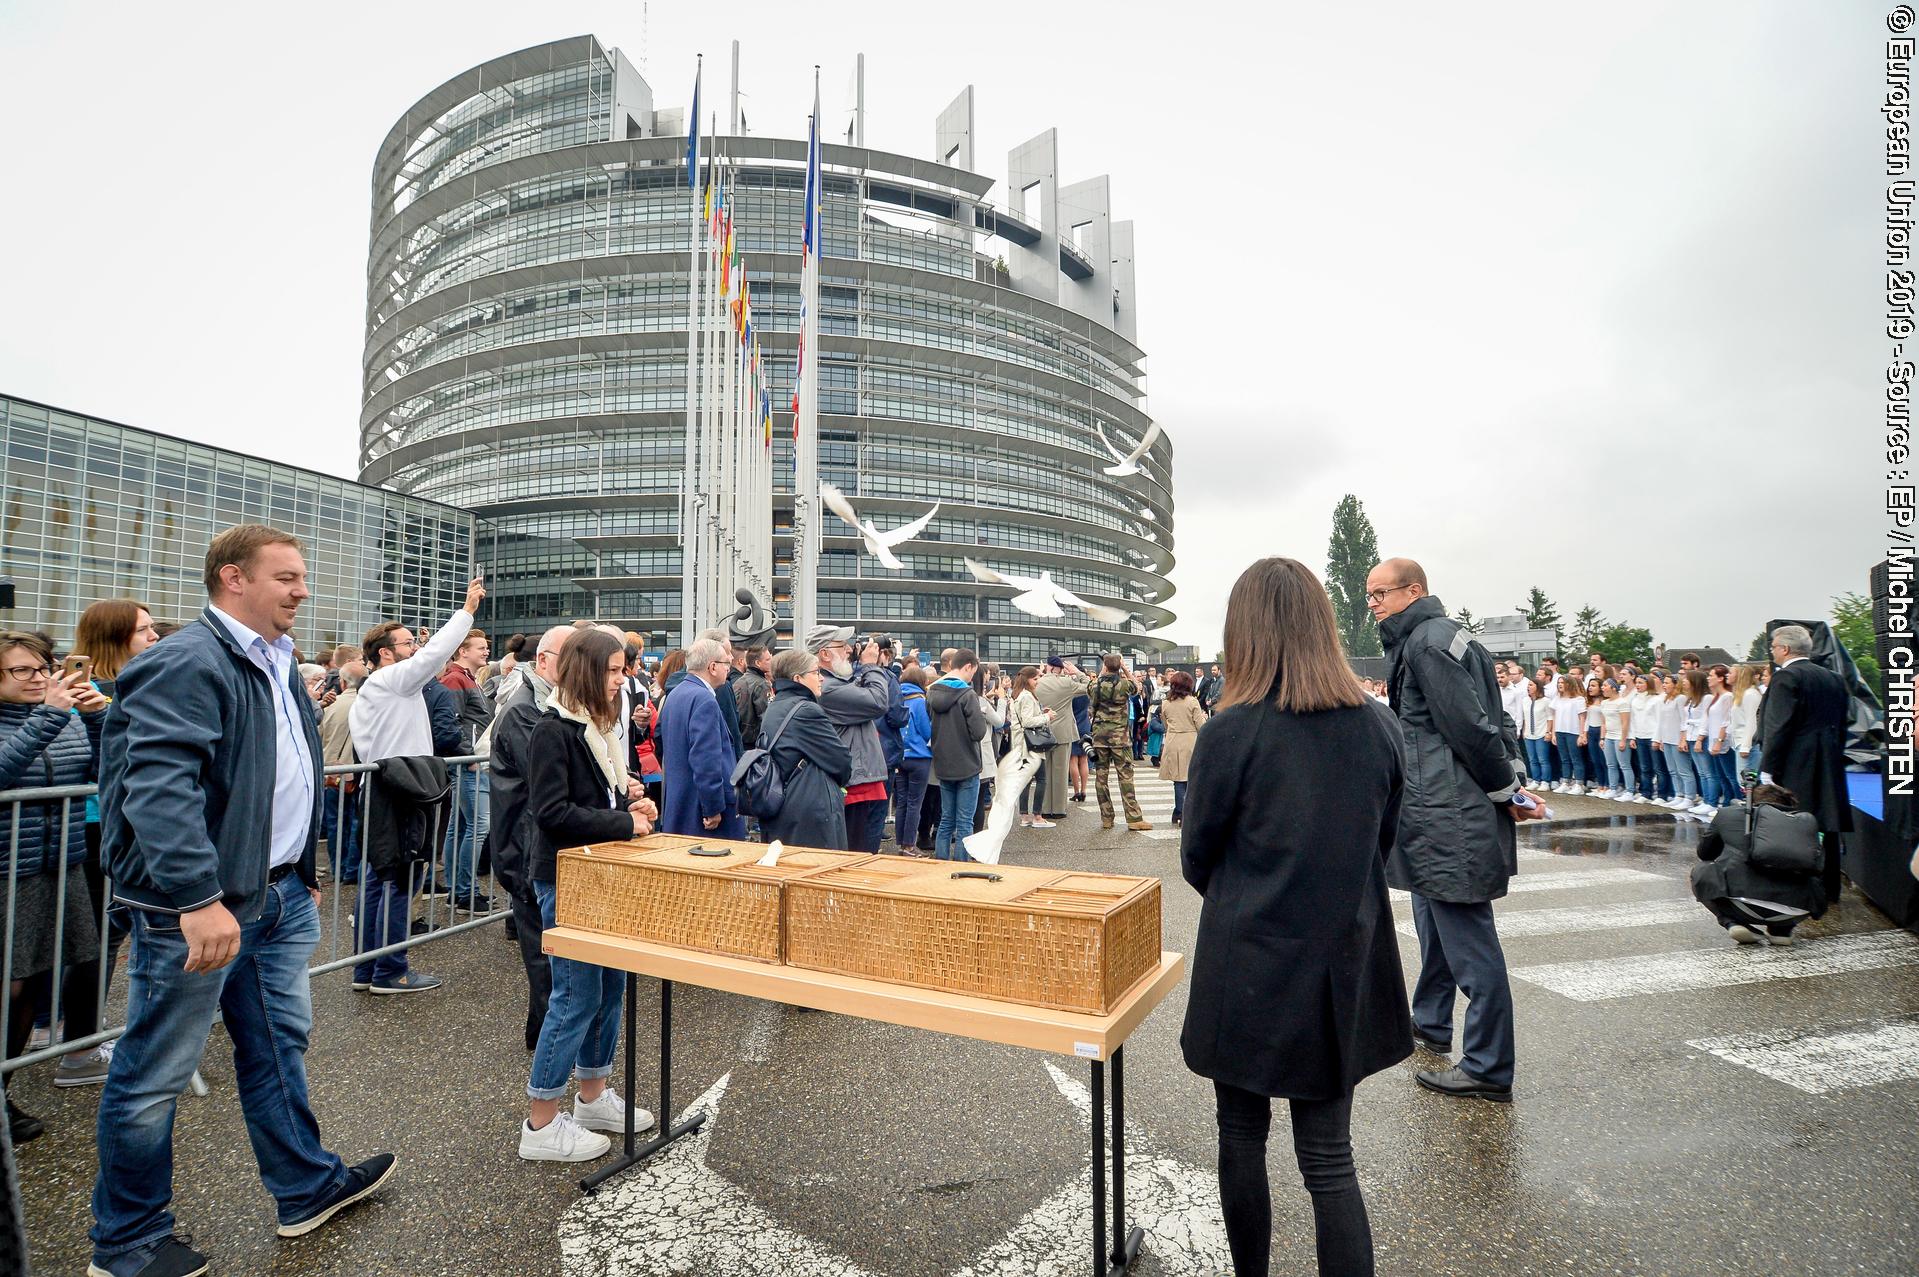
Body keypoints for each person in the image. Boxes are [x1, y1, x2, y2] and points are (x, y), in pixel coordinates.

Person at [92, 525, 396, 1277]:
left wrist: (303, 863)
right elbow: (158, 787)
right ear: (233, 577)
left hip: (275, 895)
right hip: (197, 912)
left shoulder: (276, 660)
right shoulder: (185, 661)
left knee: (275, 1049)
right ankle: (125, 1243)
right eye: (287, 576)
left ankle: (305, 1186)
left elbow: (291, 766)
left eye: (302, 577)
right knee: (152, 1072)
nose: (301, 589)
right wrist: (198, 896)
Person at [1180, 557, 1410, 1277]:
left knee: (1241, 1133)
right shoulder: (1378, 726)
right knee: (1328, 1158)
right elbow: (1383, 837)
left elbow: (1198, 854)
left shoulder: (1232, 729)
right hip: (1340, 957)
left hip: (1247, 952)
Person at [1366, 556, 1537, 1103]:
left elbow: (1473, 728)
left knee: (1468, 941)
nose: (1373, 604)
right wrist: (1513, 777)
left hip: (1447, 812)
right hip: (1437, 808)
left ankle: (1488, 1065)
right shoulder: (1450, 637)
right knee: (1433, 923)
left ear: (1413, 591)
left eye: (1381, 595)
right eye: (1370, 595)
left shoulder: (1425, 645)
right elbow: (1497, 720)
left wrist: (1505, 789)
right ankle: (1432, 1021)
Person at [520, 629, 657, 1162]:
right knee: (575, 997)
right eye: (612, 670)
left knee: (608, 989)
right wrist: (624, 822)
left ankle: (593, 1095)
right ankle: (540, 1122)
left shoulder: (597, 727)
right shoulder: (553, 730)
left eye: (623, 670)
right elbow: (552, 814)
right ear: (586, 671)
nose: (621, 679)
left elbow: (591, 800)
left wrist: (627, 805)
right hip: (565, 877)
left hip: (597, 877)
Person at [346, 578, 485, 995]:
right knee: (398, 879)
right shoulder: (391, 681)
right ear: (385, 653)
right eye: (407, 644)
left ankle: (367, 969)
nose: (416, 649)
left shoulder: (384, 686)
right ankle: (391, 970)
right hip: (400, 789)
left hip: (387, 785)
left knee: (380, 878)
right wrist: (466, 612)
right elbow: (436, 655)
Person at [0, 632, 107, 1143]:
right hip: (5, 873)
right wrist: (49, 716)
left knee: (35, 979)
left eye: (43, 668)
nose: (39, 678)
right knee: (8, 984)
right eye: (23, 671)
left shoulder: (61, 720)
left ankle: (3, 1090)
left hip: (55, 866)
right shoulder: (43, 718)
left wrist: (97, 718)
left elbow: (107, 769)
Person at [56, 598, 160, 1090]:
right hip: (94, 826)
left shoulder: (130, 686)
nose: (154, 637)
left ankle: (70, 1033)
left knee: (101, 934)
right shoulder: (82, 694)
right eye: (144, 631)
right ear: (116, 638)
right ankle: (77, 1045)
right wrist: (100, 716)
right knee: (95, 938)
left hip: (114, 823)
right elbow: (100, 764)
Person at [485, 625, 572, 1050]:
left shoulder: (547, 704)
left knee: (551, 956)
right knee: (543, 958)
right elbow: (547, 786)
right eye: (568, 659)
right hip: (524, 847)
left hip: (534, 843)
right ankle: (547, 1048)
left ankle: (547, 1040)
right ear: (543, 661)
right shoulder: (524, 710)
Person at [1757, 625, 1854, 898]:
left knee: (1795, 822)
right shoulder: (1833, 677)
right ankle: (1829, 887)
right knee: (1828, 821)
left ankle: (1798, 888)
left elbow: (1778, 726)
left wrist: (1768, 768)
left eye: (1775, 647)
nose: (1773, 652)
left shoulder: (1786, 677)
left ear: (1785, 649)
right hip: (1830, 757)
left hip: (1797, 761)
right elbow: (1844, 721)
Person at [1691, 783, 1826, 945]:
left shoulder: (1727, 814)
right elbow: (1818, 866)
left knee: (1702, 870)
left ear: (1751, 801)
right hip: (1796, 909)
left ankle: (1733, 923)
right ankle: (1782, 930)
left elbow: (1704, 853)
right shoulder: (1806, 823)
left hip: (1741, 905)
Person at [757, 648, 855, 850]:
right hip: (810, 813)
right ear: (798, 678)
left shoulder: (775, 706)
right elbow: (842, 762)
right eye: (816, 672)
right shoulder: (807, 710)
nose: (821, 679)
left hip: (784, 806)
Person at [807, 626, 893, 852]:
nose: (849, 649)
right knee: (857, 851)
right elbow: (879, 702)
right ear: (824, 654)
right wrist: (871, 667)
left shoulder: (834, 681)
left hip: (857, 780)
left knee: (862, 846)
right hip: (853, 784)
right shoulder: (828, 688)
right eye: (842, 645)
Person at [658, 637, 744, 839]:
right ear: (712, 667)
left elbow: (661, 739)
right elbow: (706, 759)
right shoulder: (703, 699)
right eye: (726, 663)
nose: (728, 668)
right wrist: (712, 807)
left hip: (680, 802)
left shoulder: (677, 693)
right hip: (700, 811)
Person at [438, 627, 496, 913]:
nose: (486, 651)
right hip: (469, 764)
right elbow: (450, 722)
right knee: (476, 826)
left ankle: (458, 890)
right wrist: (466, 755)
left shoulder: (465, 678)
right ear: (463, 651)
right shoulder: (455, 678)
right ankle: (464, 892)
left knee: (460, 827)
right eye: (480, 647)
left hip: (470, 762)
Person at [926, 649, 989, 861]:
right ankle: (960, 864)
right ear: (968, 666)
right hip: (967, 764)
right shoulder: (967, 695)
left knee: (946, 820)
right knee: (965, 822)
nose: (973, 677)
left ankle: (941, 861)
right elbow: (978, 733)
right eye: (973, 671)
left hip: (943, 764)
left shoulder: (932, 691)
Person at [1089, 655, 1152, 832]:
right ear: (1119, 667)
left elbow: (1091, 688)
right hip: (1120, 738)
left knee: (1101, 779)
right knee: (1125, 777)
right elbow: (1137, 686)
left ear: (1105, 667)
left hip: (1100, 737)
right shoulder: (1125, 685)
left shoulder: (1096, 685)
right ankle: (1133, 818)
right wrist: (1124, 668)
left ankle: (1107, 818)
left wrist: (1103, 671)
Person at [318, 660, 366, 884]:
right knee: (356, 821)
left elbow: (319, 734)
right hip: (360, 771)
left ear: (343, 681)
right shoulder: (368, 703)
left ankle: (339, 869)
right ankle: (352, 870)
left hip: (332, 772)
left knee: (336, 823)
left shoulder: (331, 706)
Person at [1034, 657, 1089, 818]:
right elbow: (1089, 686)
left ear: (1048, 667)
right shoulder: (1066, 683)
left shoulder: (1038, 683)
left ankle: (1044, 808)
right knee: (1060, 771)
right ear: (1060, 668)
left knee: (1044, 773)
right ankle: (1058, 808)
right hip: (1063, 731)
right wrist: (1077, 672)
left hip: (1042, 730)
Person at [1005, 666, 1054, 828]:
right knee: (1041, 779)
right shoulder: (1026, 696)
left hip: (1021, 743)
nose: (1038, 681)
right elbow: (1027, 722)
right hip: (1031, 744)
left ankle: (1025, 816)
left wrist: (1041, 714)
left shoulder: (1018, 695)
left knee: (1025, 780)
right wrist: (1046, 716)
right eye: (1035, 678)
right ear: (1027, 679)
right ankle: (1037, 817)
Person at [1157, 670, 1206, 825]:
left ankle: (1178, 811)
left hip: (1172, 740)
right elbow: (1200, 726)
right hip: (1190, 741)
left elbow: (1165, 723)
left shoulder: (1165, 703)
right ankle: (1184, 812)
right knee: (1189, 779)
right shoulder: (1192, 702)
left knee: (1178, 780)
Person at [893, 666, 934, 855]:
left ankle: (900, 841)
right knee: (914, 803)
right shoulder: (919, 701)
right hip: (919, 757)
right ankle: (909, 845)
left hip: (900, 755)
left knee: (901, 801)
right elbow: (926, 731)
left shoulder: (896, 698)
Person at [1630, 673, 1667, 803]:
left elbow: (1659, 721)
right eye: (1637, 683)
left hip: (1652, 736)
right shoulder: (1635, 700)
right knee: (1644, 767)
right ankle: (1646, 793)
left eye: (1641, 683)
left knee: (1659, 768)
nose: (1638, 685)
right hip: (1640, 736)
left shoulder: (1656, 700)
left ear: (1648, 684)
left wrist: (1657, 739)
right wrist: (1633, 737)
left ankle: (1662, 795)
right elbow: (1633, 720)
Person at [1597, 678, 1635, 802]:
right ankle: (1613, 788)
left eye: (1605, 686)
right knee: (1611, 764)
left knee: (1624, 765)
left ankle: (1630, 791)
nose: (1603, 688)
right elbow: (1603, 722)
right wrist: (1602, 738)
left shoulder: (1622, 702)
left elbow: (1625, 723)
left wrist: (1623, 740)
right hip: (1609, 737)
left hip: (1620, 737)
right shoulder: (1604, 703)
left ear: (1613, 688)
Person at [1550, 675, 1587, 794]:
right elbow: (1555, 716)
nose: (1560, 684)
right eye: (1559, 682)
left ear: (1569, 684)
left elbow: (1582, 718)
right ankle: (1565, 782)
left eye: (1562, 682)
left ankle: (1579, 784)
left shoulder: (1578, 699)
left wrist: (1581, 734)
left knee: (1576, 758)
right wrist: (1554, 733)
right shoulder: (1557, 699)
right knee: (1564, 758)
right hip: (1560, 731)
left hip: (1573, 732)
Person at [734, 645, 772, 755]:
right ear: (758, 663)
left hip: (740, 742)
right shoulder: (762, 685)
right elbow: (767, 717)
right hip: (754, 745)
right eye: (768, 659)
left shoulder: (738, 682)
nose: (771, 662)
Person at [1521, 678, 1555, 789]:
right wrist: (1524, 731)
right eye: (1528, 685)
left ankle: (1545, 781)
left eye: (1531, 685)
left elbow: (1550, 717)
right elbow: (1525, 717)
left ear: (1537, 687)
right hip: (1529, 734)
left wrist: (1548, 732)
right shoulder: (1525, 700)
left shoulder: (1545, 701)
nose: (1528, 687)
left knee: (1543, 759)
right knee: (1532, 759)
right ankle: (1536, 780)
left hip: (1541, 732)